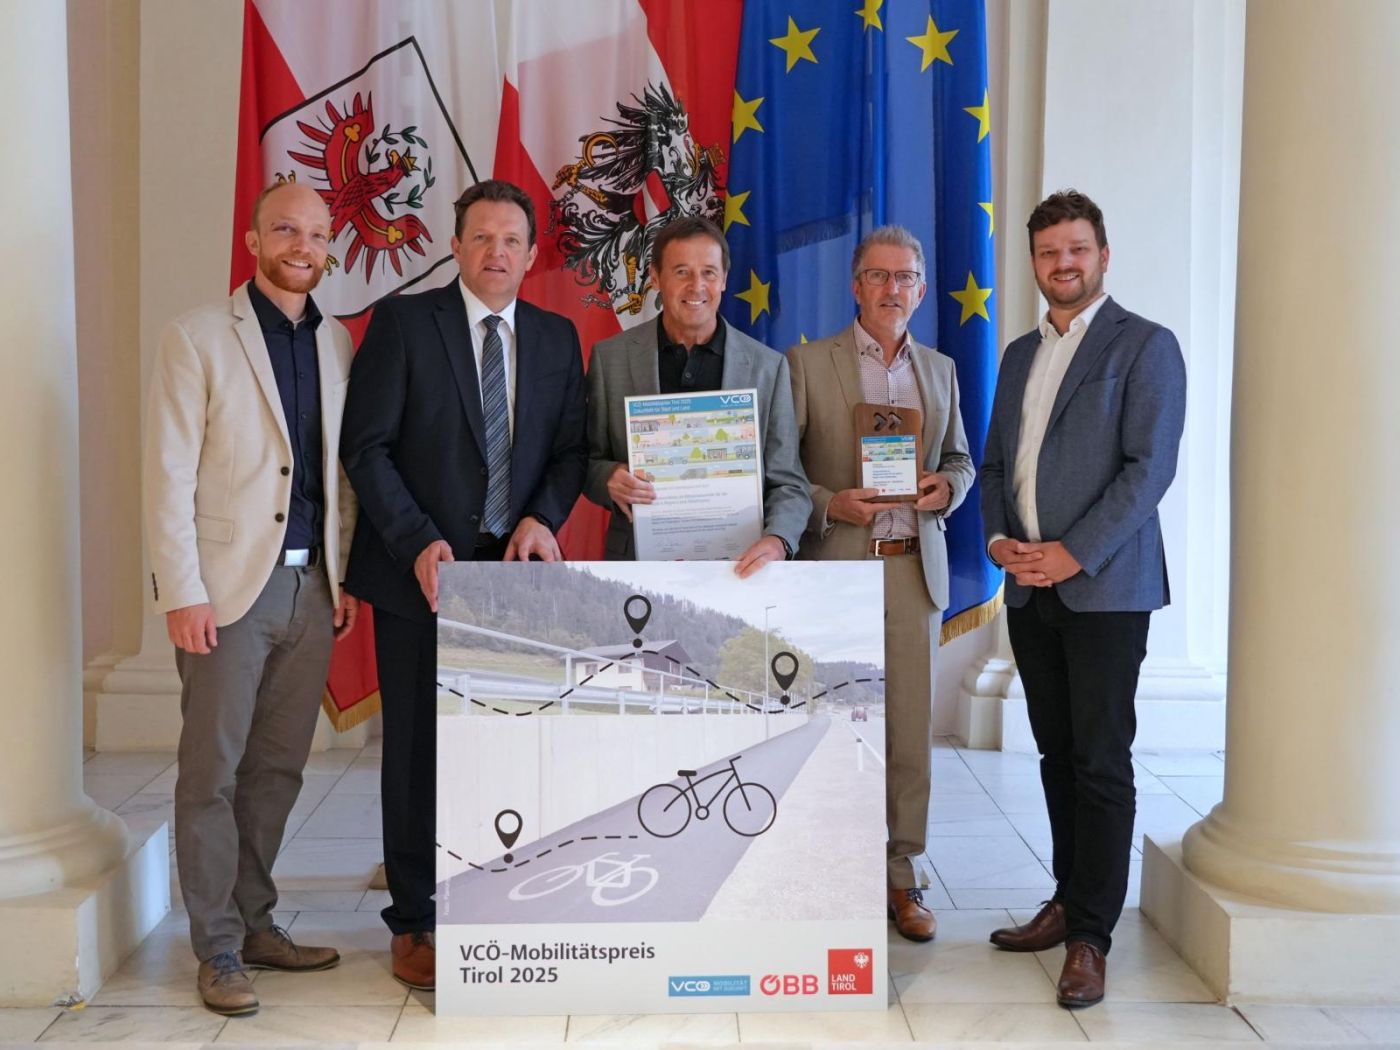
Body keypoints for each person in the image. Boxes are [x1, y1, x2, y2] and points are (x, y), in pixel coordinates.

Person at [340, 179, 587, 990]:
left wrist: (542, 518)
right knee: (417, 752)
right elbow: (366, 446)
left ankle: (499, 895)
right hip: (421, 576)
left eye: (511, 240)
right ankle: (415, 919)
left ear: (532, 253)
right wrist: (417, 540)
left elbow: (570, 452)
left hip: (513, 578)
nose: (496, 253)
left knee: (508, 746)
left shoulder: (556, 338)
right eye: (481, 238)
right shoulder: (405, 325)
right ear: (455, 246)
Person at [143, 180, 359, 1015]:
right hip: (227, 590)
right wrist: (181, 591)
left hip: (312, 588)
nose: (303, 246)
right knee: (213, 771)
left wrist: (341, 573)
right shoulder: (198, 336)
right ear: (254, 240)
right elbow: (168, 474)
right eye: (286, 230)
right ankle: (219, 947)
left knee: (278, 768)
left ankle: (257, 922)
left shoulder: (336, 340)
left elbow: (337, 472)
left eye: (316, 234)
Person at [981, 190, 1186, 1008]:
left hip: (1104, 588)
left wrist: (1072, 553)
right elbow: (996, 466)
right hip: (1028, 587)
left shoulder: (1146, 346)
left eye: (1076, 249)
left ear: (1103, 255)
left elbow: (1149, 470)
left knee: (1101, 760)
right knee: (1056, 754)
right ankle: (1067, 898)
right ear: (1034, 263)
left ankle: (1091, 937)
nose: (1062, 264)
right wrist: (1000, 541)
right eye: (1048, 252)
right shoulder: (1017, 356)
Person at [786, 225, 974, 943]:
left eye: (905, 278)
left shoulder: (941, 370)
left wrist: (945, 489)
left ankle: (901, 873)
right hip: (837, 563)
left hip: (912, 567)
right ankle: (828, 862)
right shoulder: (808, 364)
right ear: (855, 286)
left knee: (907, 734)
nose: (892, 289)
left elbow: (960, 459)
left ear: (920, 291)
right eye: (878, 276)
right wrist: (830, 502)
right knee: (833, 722)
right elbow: (780, 471)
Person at [583, 215, 809, 575]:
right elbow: (585, 460)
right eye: (682, 272)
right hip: (637, 565)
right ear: (655, 277)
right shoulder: (610, 359)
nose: (697, 286)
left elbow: (789, 484)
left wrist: (779, 539)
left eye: (708, 272)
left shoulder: (768, 368)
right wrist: (608, 477)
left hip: (740, 568)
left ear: (724, 279)